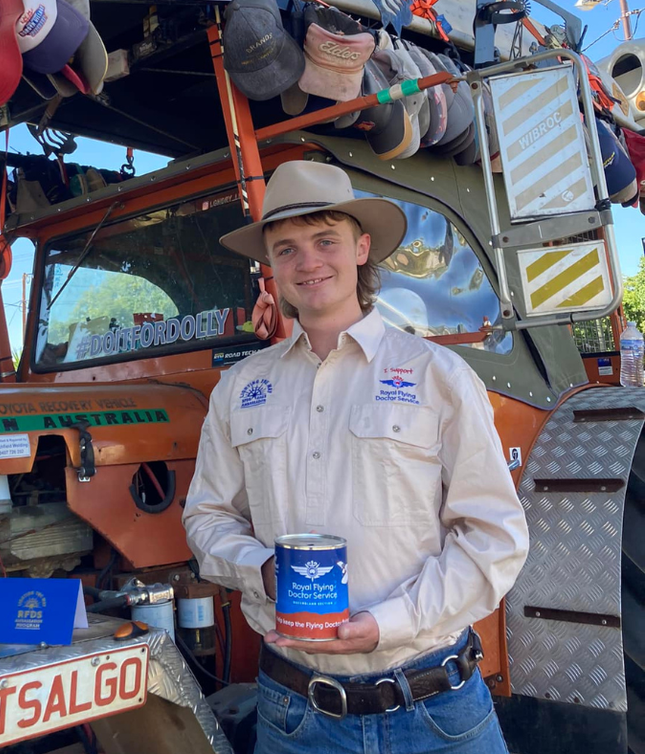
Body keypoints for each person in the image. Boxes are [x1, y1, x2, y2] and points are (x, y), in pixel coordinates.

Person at [182, 160, 529, 753]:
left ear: (362, 247)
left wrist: (387, 625)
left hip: (434, 708)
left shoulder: (437, 376)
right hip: (296, 714)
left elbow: (494, 536)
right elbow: (207, 520)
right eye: (286, 248)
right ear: (271, 266)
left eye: (325, 241)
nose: (308, 262)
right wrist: (262, 571)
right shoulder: (239, 389)